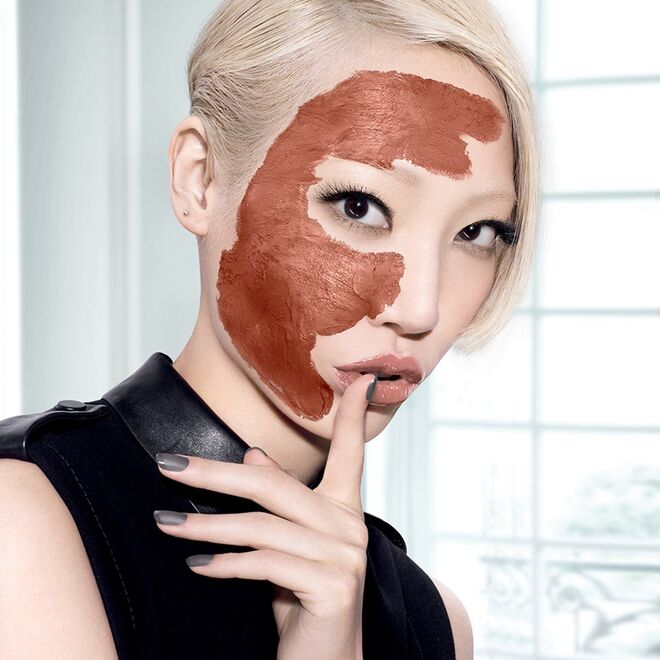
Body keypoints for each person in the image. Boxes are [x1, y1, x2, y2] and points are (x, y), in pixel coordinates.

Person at [0, 0, 539, 658]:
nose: (420, 308)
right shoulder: (24, 524)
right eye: (360, 206)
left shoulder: (437, 622)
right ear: (200, 180)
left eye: (477, 232)